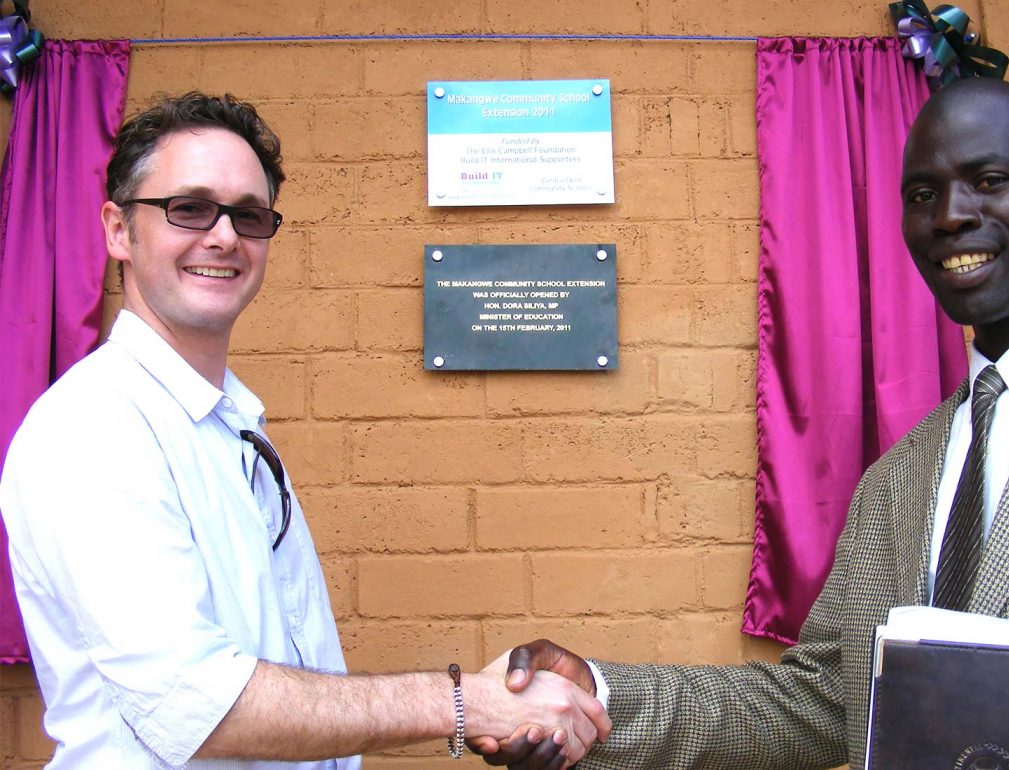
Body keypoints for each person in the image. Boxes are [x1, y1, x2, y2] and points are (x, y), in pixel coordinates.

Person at [474, 77, 1009, 770]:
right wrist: (595, 695)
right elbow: (821, 702)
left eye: (989, 180)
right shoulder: (897, 481)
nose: (951, 216)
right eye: (922, 195)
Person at [0, 92, 609, 769]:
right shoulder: (94, 428)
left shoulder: (226, 423)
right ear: (119, 230)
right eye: (190, 208)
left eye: (249, 216)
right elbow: (196, 706)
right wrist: (467, 703)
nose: (224, 236)